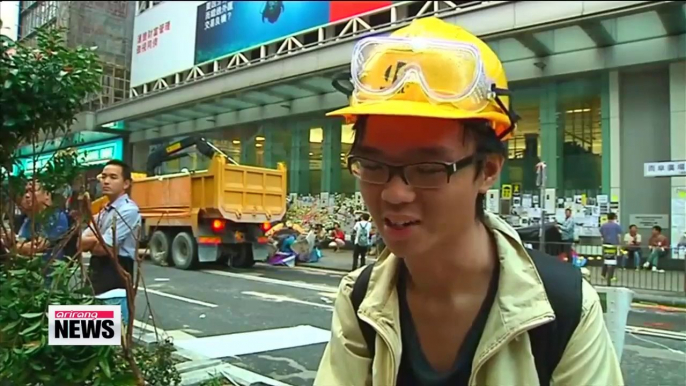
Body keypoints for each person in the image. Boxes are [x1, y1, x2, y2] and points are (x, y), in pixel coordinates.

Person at [314, 17, 622, 386]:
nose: (394, 194)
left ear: (488, 170)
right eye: (372, 165)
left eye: (428, 168)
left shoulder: (562, 307)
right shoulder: (360, 299)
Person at [79, 160, 141, 325]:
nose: (106, 181)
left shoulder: (129, 210)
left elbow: (103, 248)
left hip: (115, 279)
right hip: (95, 276)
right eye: (104, 176)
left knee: (110, 342)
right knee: (88, 336)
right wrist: (97, 242)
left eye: (113, 177)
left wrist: (94, 243)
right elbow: (80, 243)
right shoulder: (104, 210)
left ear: (126, 183)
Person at [599, 212, 623, 280]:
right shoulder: (616, 226)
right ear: (614, 218)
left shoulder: (603, 226)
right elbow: (618, 235)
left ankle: (603, 275)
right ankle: (611, 276)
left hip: (605, 244)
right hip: (613, 244)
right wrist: (619, 244)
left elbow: (602, 235)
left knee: (606, 259)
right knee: (613, 260)